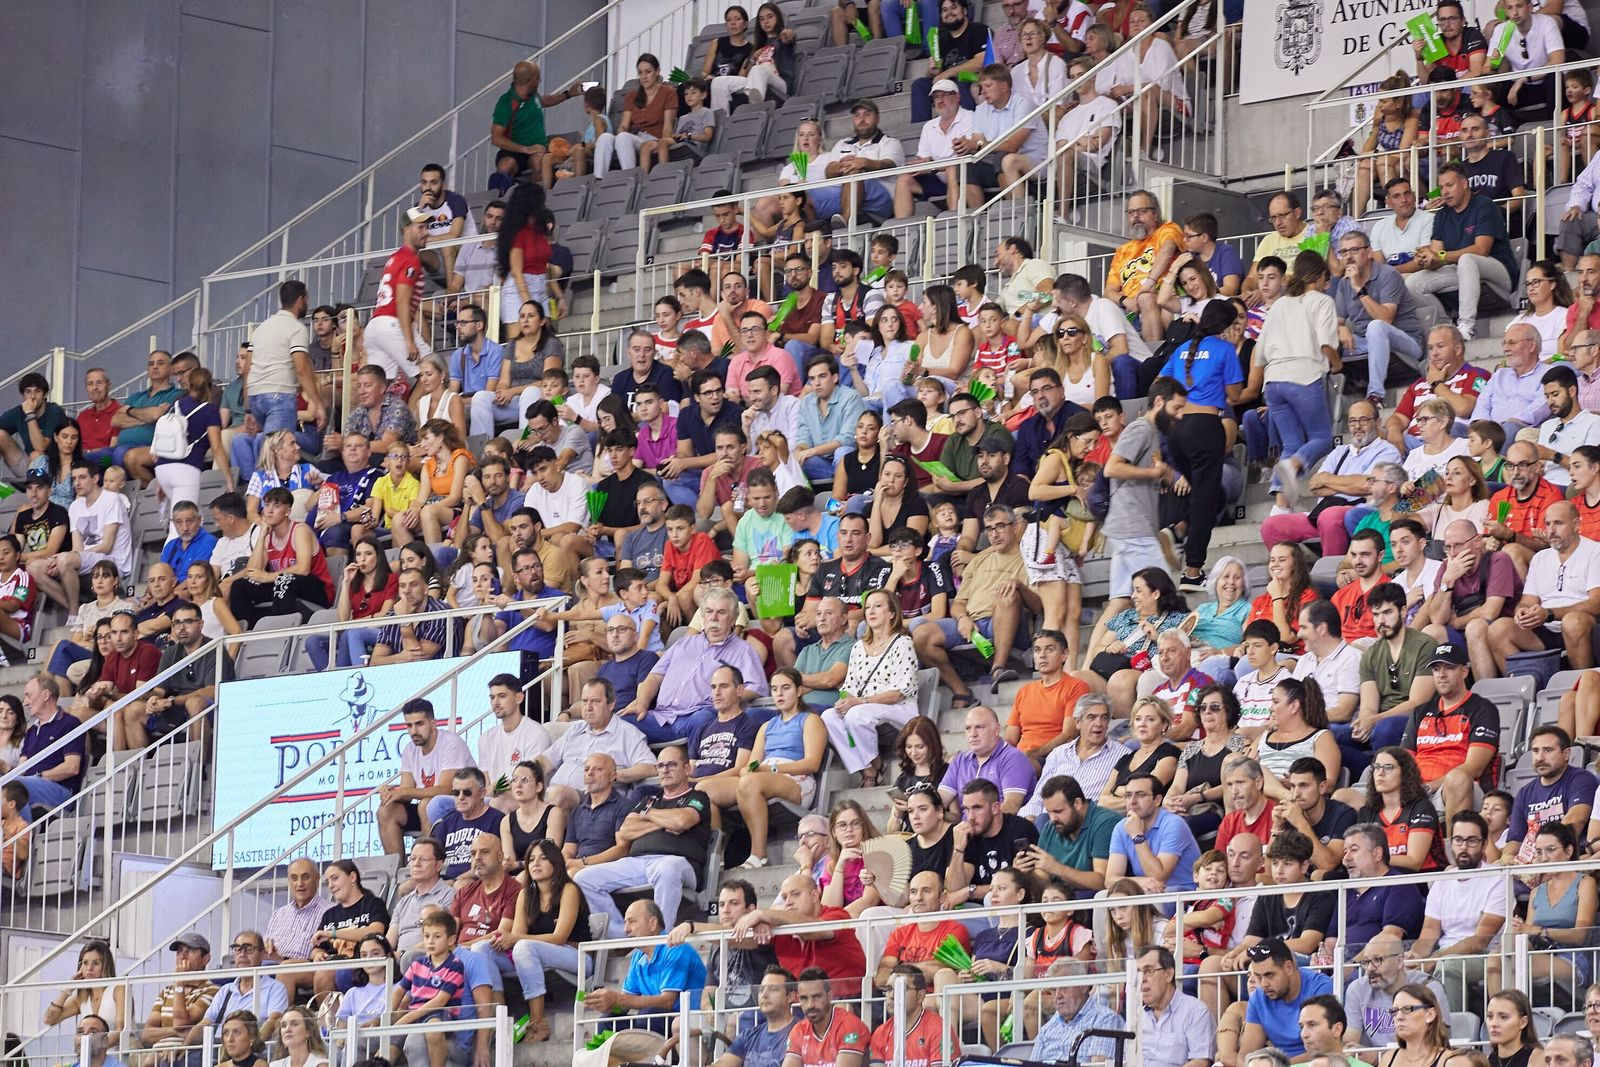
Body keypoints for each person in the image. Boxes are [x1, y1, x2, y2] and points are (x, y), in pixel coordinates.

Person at [1406, 163, 1518, 342]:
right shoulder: (1442, 215)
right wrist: (1426, 258)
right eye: (1441, 187)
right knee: (1413, 283)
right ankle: (1447, 328)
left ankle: (1466, 325)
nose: (1445, 192)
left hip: (1498, 270)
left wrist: (1440, 256)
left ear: (1464, 184)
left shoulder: (1484, 205)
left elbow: (1482, 249)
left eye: (1450, 185)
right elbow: (1437, 254)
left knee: (1467, 259)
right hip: (1463, 272)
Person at [1410, 810, 1508, 1011]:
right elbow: (1428, 935)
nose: (1464, 847)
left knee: (1449, 967)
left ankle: (1451, 1035)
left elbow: (1480, 940)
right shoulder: (1442, 881)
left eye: (1472, 841)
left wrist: (1435, 959)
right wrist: (1414, 956)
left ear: (1484, 844)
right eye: (1458, 840)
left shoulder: (1498, 878)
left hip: (1487, 958)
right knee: (1398, 969)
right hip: (1443, 955)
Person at [1489, 501, 1600, 672]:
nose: (1551, 530)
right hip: (1545, 627)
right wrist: (1523, 612)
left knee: (1572, 622)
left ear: (1577, 525)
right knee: (1498, 629)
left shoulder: (1595, 552)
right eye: (1548, 524)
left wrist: (1551, 613)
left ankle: (1580, 686)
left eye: (1558, 523)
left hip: (1583, 625)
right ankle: (1527, 688)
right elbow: (1527, 601)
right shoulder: (1540, 558)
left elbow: (1596, 603)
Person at [27, 463, 134, 616]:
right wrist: (64, 560)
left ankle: (73, 616)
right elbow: (77, 548)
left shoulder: (112, 499)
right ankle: (80, 610)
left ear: (96, 478)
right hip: (86, 560)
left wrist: (68, 558)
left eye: (82, 477)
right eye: (74, 479)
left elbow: (106, 546)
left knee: (65, 559)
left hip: (112, 561)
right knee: (33, 568)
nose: (77, 483)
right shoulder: (75, 506)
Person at [1023, 692, 1125, 818]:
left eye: (1104, 718)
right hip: (1049, 821)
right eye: (1091, 717)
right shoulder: (1058, 754)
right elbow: (1038, 798)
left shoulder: (1122, 755)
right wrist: (1029, 816)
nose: (1099, 723)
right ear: (1078, 722)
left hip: (1088, 823)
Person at [187, 932, 288, 1051]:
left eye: (248, 948)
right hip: (219, 1048)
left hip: (254, 1051)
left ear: (263, 954)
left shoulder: (275, 988)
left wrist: (247, 1049)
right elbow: (206, 1022)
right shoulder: (226, 990)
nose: (242, 954)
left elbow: (274, 1020)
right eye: (237, 949)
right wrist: (184, 1047)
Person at [1344, 937, 1450, 1048]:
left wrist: (1380, 1057)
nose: (1370, 968)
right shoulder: (1357, 989)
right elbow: (1349, 1044)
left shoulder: (1428, 988)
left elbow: (1437, 1042)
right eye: (1366, 962)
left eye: (1377, 960)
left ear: (1399, 961)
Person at [1105, 773, 1202, 893]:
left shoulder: (1173, 824)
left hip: (1182, 893)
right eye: (1128, 795)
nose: (1132, 801)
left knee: (1153, 898)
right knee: (1102, 896)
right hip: (1148, 890)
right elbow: (1110, 880)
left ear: (1157, 800)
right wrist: (1140, 882)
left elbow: (1159, 876)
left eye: (1140, 795)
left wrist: (1137, 836)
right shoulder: (1121, 827)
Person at [1239, 938, 1335, 1061]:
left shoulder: (1320, 987)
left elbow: (1325, 1049)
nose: (1263, 984)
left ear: (1289, 967)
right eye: (1258, 976)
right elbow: (1247, 1052)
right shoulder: (1259, 996)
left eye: (1269, 975)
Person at [1109, 190, 1184, 345]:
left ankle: (1154, 356)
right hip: (1130, 311)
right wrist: (1125, 300)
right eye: (1131, 212)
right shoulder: (1123, 251)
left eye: (1141, 211)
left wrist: (1149, 283)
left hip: (1163, 297)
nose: (1135, 217)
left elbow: (1167, 249)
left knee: (1147, 298)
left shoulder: (1167, 230)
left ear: (1155, 214)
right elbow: (1109, 291)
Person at [1341, 822, 1427, 951]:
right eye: (1345, 851)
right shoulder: (1345, 891)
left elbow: (1391, 936)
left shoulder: (1399, 886)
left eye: (1354, 850)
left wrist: (1351, 965)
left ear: (1377, 853)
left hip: (1374, 966)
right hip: (1339, 965)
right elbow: (1331, 939)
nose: (1345, 858)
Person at [1135, 945, 1216, 1067]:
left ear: (1168, 974)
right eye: (1138, 973)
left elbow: (1200, 1062)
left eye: (1149, 971)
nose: (1142, 979)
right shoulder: (1136, 1016)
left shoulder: (1196, 1012)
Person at [140, 933, 218, 1055]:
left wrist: (180, 984)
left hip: (187, 1055)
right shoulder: (166, 992)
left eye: (190, 950)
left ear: (205, 959)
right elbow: (146, 1035)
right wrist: (176, 1032)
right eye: (179, 951)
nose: (183, 955)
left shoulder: (212, 991)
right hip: (160, 1053)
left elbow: (180, 1023)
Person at [780, 967, 870, 1067]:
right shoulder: (799, 1030)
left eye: (817, 997)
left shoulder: (849, 1026)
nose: (810, 1005)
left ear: (830, 996)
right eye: (804, 998)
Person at [715, 966, 801, 1067]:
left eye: (773, 989)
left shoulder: (801, 1033)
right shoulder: (748, 1036)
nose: (764, 995)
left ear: (791, 996)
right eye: (761, 990)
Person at [390, 839, 456, 957]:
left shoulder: (448, 895)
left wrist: (404, 954)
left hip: (427, 958)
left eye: (424, 859)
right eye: (413, 859)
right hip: (398, 961)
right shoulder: (404, 902)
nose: (416, 864)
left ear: (439, 865)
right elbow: (390, 939)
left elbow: (442, 937)